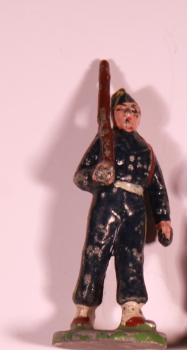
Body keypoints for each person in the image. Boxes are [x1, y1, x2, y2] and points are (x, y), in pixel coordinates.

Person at [70, 88, 173, 330]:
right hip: (107, 204)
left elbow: (157, 187)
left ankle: (132, 310)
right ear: (112, 115)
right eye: (123, 110)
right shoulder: (104, 142)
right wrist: (96, 175)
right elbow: (80, 175)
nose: (129, 115)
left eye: (134, 111)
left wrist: (163, 219)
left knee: (132, 257)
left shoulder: (146, 149)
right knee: (95, 253)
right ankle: (84, 310)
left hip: (135, 209)